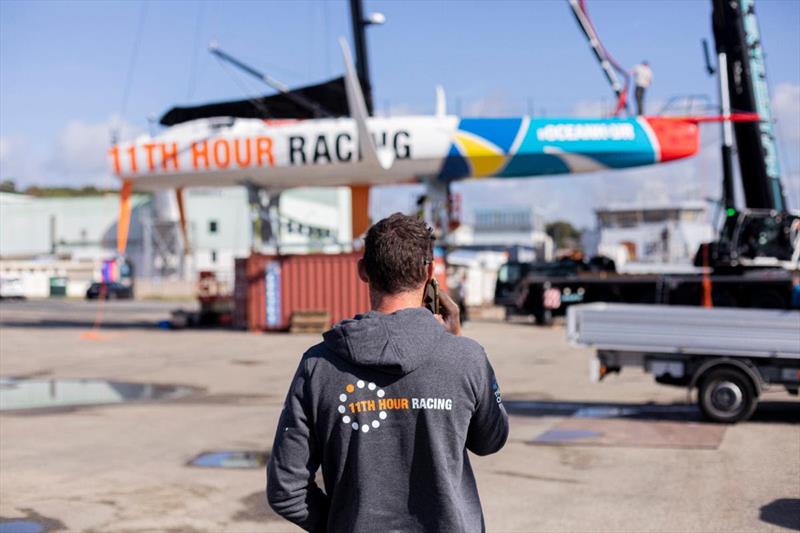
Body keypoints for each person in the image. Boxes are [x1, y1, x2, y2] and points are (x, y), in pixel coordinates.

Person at [267, 213, 509, 532]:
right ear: (430, 272)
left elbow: (287, 489)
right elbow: (490, 440)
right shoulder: (466, 357)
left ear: (363, 271)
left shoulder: (319, 365)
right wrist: (457, 345)